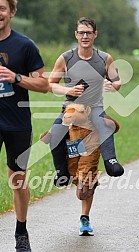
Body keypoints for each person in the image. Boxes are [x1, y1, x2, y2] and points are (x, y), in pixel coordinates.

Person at [48, 17, 124, 235]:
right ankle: (61, 172)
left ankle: (85, 216)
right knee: (54, 135)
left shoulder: (104, 59)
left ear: (95, 35)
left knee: (104, 131)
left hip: (95, 111)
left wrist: (113, 84)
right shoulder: (66, 58)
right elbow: (52, 84)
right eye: (81, 32)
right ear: (76, 34)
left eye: (88, 33)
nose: (84, 36)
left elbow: (117, 81)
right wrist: (68, 91)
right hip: (71, 111)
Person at [0, 0, 48, 251]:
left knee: (17, 179)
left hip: (17, 123)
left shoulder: (25, 45)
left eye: (2, 8)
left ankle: (21, 232)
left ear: (12, 12)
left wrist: (16, 77)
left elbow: (44, 84)